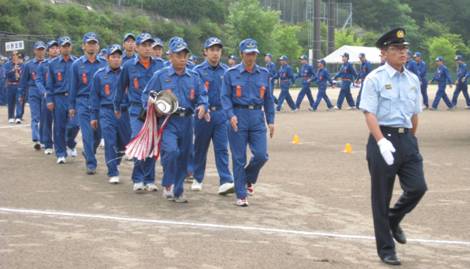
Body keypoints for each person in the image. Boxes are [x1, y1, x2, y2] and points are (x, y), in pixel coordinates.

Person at [359, 28, 427, 266]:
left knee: (418, 187)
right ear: (384, 53)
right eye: (397, 48)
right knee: (381, 197)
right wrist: (381, 141)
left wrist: (409, 139)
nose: (403, 52)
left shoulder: (412, 79)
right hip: (382, 138)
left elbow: (415, 114)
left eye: (404, 48)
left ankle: (394, 218)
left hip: (406, 138)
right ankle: (386, 249)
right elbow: (369, 114)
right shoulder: (375, 79)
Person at [142, 37, 209, 203]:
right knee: (172, 151)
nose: (182, 58)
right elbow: (147, 95)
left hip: (187, 121)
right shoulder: (161, 76)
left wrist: (202, 106)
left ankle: (178, 191)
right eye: (178, 55)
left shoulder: (193, 76)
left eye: (185, 55)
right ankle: (168, 184)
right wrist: (153, 107)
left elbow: (202, 95)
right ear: (170, 56)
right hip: (168, 122)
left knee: (185, 156)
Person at [221, 38, 275, 207]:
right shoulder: (231, 74)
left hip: (257, 117)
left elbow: (268, 99)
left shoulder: (264, 74)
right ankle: (241, 194)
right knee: (238, 158)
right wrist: (230, 115)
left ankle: (247, 179)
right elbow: (225, 97)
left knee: (261, 155)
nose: (251, 57)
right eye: (248, 53)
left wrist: (271, 121)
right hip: (238, 116)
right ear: (241, 54)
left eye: (254, 53)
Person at [114, 32, 165, 192]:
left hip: (156, 111)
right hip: (136, 110)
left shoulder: (160, 65)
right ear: (136, 47)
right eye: (144, 45)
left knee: (151, 144)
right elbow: (121, 87)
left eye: (150, 45)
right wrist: (116, 106)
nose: (147, 48)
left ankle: (149, 179)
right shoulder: (128, 66)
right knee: (138, 140)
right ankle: (137, 178)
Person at [191, 37, 234, 194]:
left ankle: (226, 180)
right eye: (212, 50)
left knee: (222, 148)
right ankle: (197, 178)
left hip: (221, 114)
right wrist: (200, 107)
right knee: (200, 148)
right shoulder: (197, 71)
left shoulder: (227, 72)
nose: (215, 53)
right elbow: (194, 94)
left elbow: (230, 95)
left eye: (218, 50)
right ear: (205, 52)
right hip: (203, 115)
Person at [90, 44, 131, 184]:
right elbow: (94, 97)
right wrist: (94, 116)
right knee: (110, 140)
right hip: (106, 112)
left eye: (119, 57)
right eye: (113, 56)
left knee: (124, 143)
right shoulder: (99, 75)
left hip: (124, 112)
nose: (116, 59)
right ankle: (112, 171)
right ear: (107, 58)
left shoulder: (127, 73)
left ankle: (116, 160)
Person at [69, 32, 107, 174]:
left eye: (94, 43)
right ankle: (91, 163)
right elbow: (73, 87)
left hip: (100, 103)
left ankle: (89, 151)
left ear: (98, 46)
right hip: (83, 102)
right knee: (87, 133)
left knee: (98, 134)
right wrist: (72, 106)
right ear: (83, 46)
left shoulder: (104, 63)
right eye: (89, 43)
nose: (92, 46)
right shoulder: (76, 65)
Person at [46, 36, 80, 164]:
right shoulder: (52, 64)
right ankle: (60, 153)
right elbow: (49, 83)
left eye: (68, 45)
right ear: (60, 48)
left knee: (75, 124)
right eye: (63, 46)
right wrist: (49, 99)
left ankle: (70, 142)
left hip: (74, 98)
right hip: (59, 97)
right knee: (59, 126)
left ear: (71, 47)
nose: (66, 48)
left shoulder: (77, 62)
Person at [18, 41, 47, 150]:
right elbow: (23, 81)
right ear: (34, 50)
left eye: (42, 49)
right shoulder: (28, 65)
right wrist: (21, 94)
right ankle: (37, 139)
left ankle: (44, 139)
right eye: (38, 49)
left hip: (45, 91)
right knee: (36, 116)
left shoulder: (48, 63)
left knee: (45, 116)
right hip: (33, 91)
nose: (40, 51)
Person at [37, 40, 60, 155]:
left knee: (60, 121)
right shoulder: (43, 65)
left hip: (60, 96)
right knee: (47, 121)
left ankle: (59, 144)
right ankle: (48, 144)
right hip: (48, 95)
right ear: (48, 51)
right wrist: (44, 92)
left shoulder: (63, 62)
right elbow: (39, 81)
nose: (55, 50)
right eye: (52, 48)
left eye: (56, 48)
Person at [4, 52, 24, 124]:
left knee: (19, 101)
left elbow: (24, 75)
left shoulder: (22, 65)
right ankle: (11, 117)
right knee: (10, 102)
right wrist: (13, 70)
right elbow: (5, 74)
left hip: (19, 85)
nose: (16, 57)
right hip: (10, 85)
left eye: (17, 55)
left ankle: (18, 117)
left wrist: (19, 73)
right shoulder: (7, 65)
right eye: (14, 55)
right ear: (12, 56)